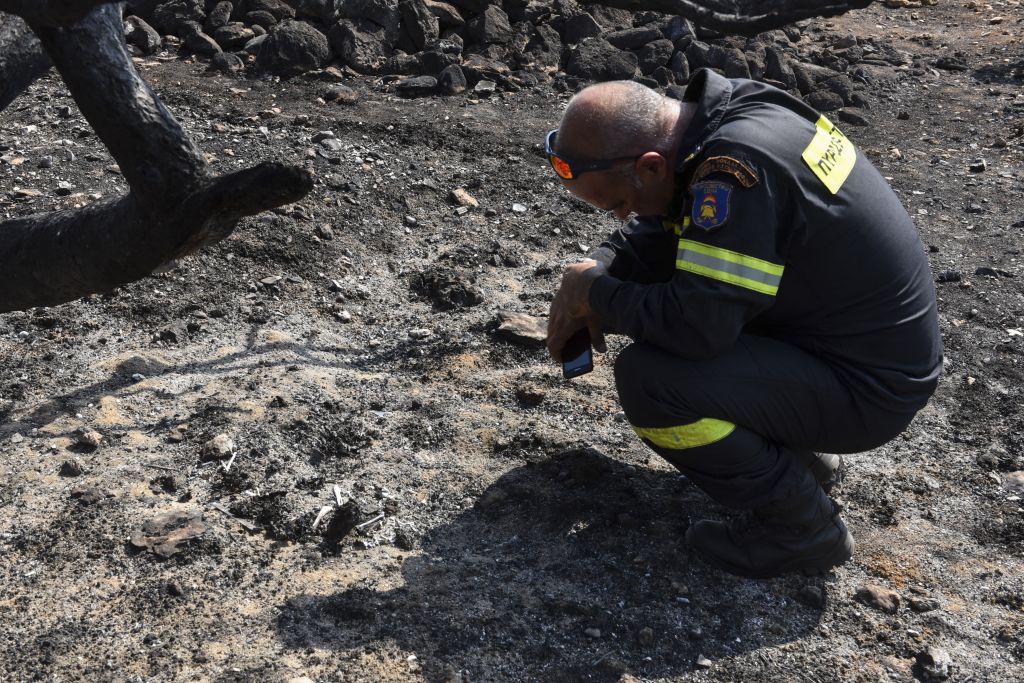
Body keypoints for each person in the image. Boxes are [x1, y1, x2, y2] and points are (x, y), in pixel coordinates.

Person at [544, 69, 942, 578]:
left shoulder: (734, 171)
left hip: (867, 392)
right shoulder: (730, 113)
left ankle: (801, 529)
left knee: (652, 382)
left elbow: (697, 329)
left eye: (619, 204)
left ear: (651, 164)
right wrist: (598, 268)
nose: (623, 217)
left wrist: (597, 295)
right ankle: (801, 464)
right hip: (858, 353)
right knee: (704, 285)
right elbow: (669, 227)